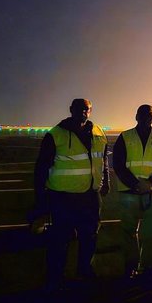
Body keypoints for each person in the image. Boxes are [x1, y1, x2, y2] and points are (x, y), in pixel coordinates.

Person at [33, 98, 109, 292]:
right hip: (63, 197)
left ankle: (84, 269)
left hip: (90, 196)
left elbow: (103, 161)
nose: (83, 112)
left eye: (87, 109)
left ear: (91, 111)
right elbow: (41, 167)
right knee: (60, 239)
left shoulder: (98, 132)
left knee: (89, 236)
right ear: (71, 110)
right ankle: (55, 277)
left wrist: (105, 182)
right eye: (79, 109)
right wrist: (41, 199)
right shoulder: (56, 134)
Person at [113, 104, 152, 279]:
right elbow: (118, 164)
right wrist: (136, 184)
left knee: (151, 233)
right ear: (136, 116)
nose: (147, 118)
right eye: (143, 114)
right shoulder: (125, 137)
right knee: (129, 232)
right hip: (130, 192)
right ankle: (131, 266)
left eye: (150, 115)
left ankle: (149, 267)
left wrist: (151, 183)